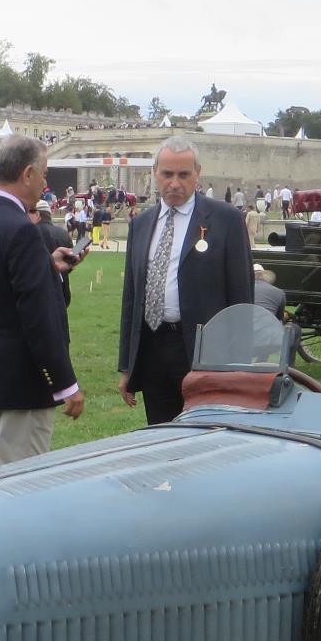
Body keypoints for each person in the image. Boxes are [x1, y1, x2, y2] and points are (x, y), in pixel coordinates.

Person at [0, 136, 84, 469]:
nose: (46, 183)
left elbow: (0, 286)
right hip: (24, 378)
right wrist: (65, 383)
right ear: (27, 173)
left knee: (2, 465)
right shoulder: (21, 230)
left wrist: (47, 266)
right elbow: (37, 316)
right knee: (19, 481)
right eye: (43, 174)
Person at [117, 135, 252, 425]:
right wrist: (127, 366)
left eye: (183, 174)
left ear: (198, 174)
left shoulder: (225, 220)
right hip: (153, 348)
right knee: (161, 435)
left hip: (202, 353)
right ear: (155, 173)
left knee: (203, 438)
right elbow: (131, 297)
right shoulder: (141, 225)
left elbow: (241, 295)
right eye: (167, 174)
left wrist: (238, 368)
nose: (175, 183)